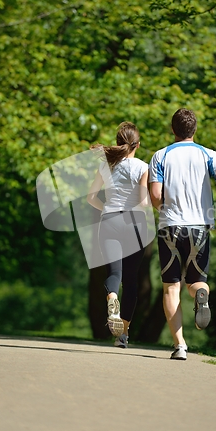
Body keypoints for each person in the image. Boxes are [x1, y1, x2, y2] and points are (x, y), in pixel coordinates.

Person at [149, 108, 216, 360]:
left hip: (170, 227)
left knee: (171, 287)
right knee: (196, 281)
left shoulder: (160, 156)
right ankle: (201, 295)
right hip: (199, 228)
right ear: (194, 130)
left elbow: (156, 195)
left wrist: (163, 208)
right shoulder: (208, 154)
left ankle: (180, 346)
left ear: (172, 129)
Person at [87, 122, 150, 348]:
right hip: (134, 223)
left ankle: (112, 297)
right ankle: (122, 335)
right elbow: (143, 202)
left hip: (110, 221)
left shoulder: (106, 166)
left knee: (114, 272)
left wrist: (105, 208)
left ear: (118, 142)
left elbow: (90, 197)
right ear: (138, 145)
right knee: (131, 281)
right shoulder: (144, 167)